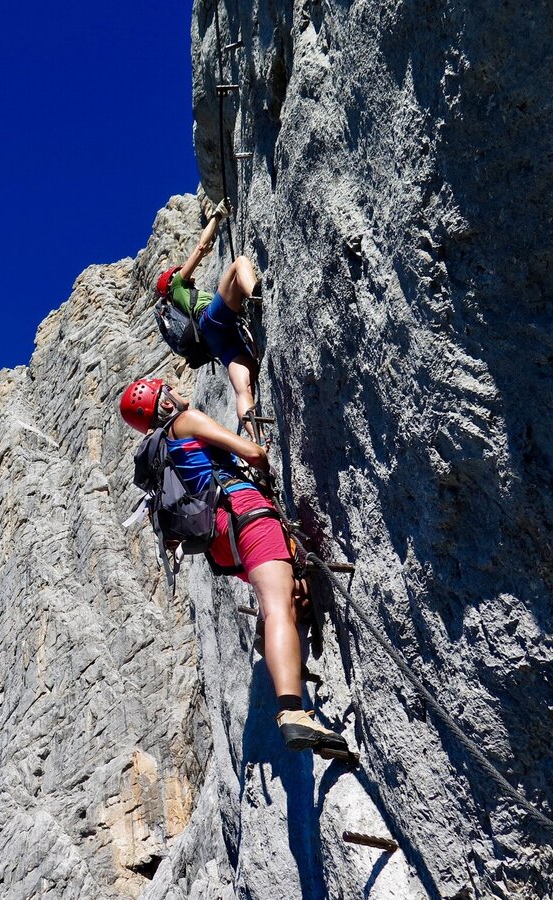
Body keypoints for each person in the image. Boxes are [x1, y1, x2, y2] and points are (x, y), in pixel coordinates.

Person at [119, 377, 348, 754]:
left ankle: (277, 639)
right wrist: (262, 456)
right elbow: (252, 453)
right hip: (245, 512)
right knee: (278, 607)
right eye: (169, 389)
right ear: (164, 403)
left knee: (287, 596)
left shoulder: (162, 450)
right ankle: (293, 712)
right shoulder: (187, 420)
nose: (178, 391)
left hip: (221, 539)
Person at [155, 203, 263, 439]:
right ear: (171, 280)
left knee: (243, 388)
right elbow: (201, 247)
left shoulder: (178, 302)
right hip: (211, 320)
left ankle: (258, 438)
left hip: (215, 344)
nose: (185, 272)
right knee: (239, 264)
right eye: (178, 271)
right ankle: (256, 294)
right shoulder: (177, 285)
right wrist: (216, 216)